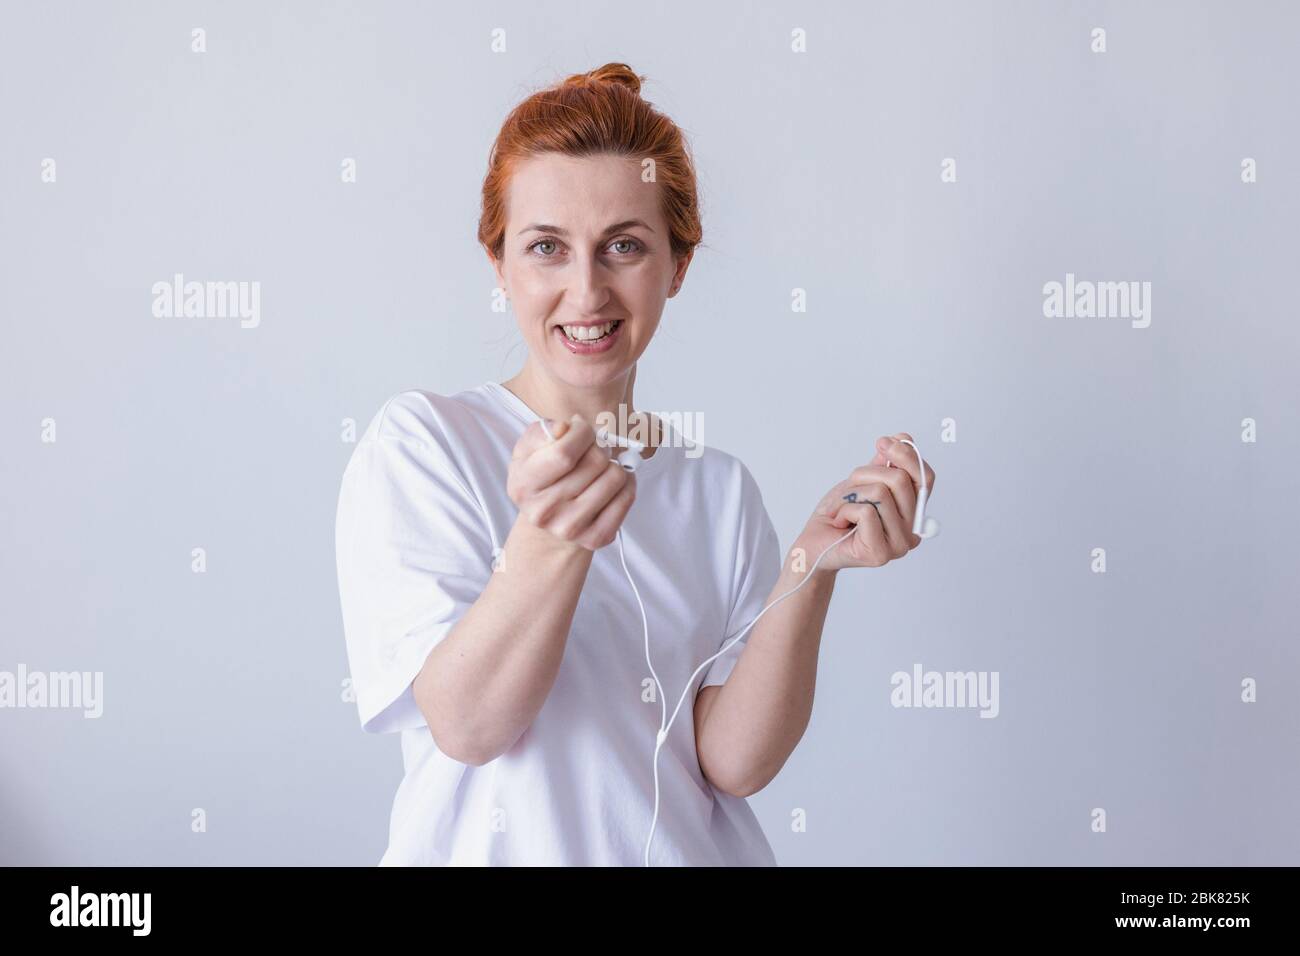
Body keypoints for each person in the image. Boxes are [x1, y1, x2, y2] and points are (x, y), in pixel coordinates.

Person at [334, 62, 936, 866]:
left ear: (677, 267)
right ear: (500, 264)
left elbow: (732, 762)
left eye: (624, 246)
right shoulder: (425, 444)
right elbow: (470, 726)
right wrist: (550, 536)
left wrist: (812, 564)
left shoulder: (717, 489)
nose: (586, 292)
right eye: (547, 247)